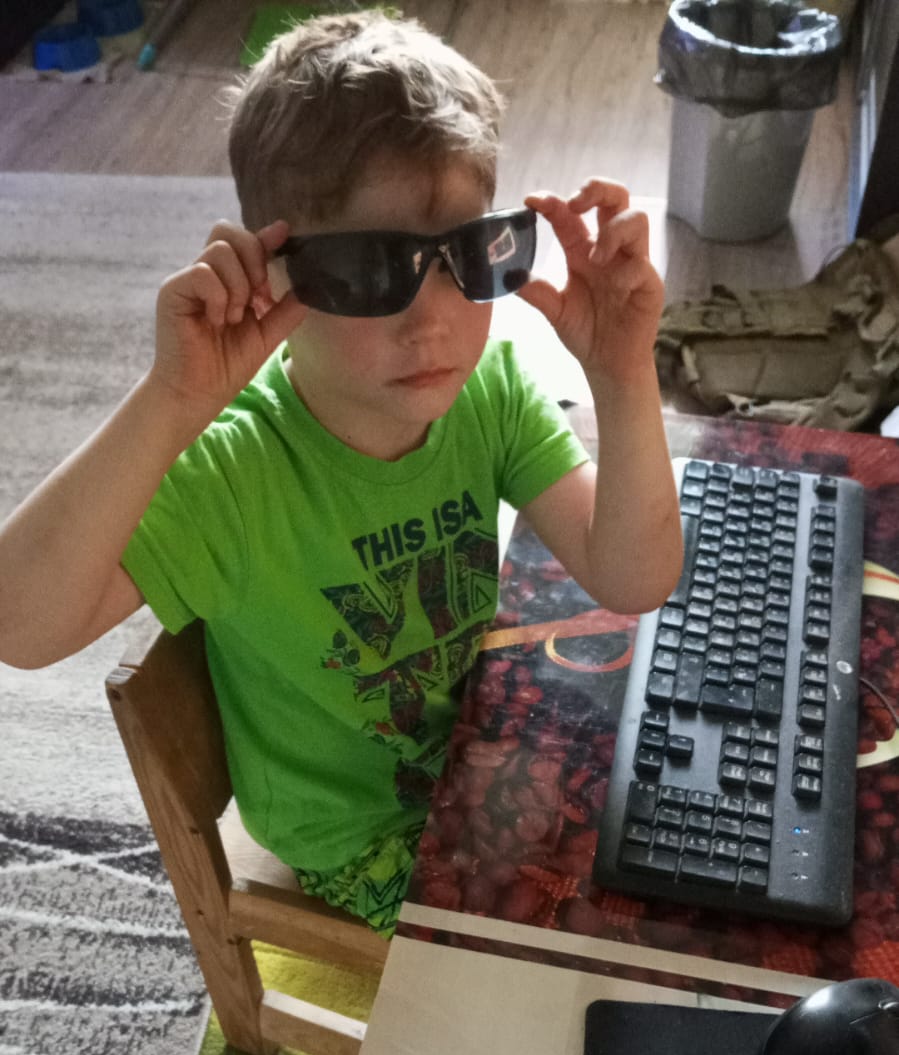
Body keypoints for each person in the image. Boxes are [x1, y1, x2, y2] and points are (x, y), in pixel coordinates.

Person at [0, 10, 682, 934]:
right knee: (606, 945)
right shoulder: (234, 472)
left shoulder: (487, 388)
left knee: (693, 854)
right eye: (367, 271)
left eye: (469, 254)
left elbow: (634, 577)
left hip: (476, 746)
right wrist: (169, 400)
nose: (430, 321)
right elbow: (20, 625)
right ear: (271, 272)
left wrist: (623, 374)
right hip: (361, 837)